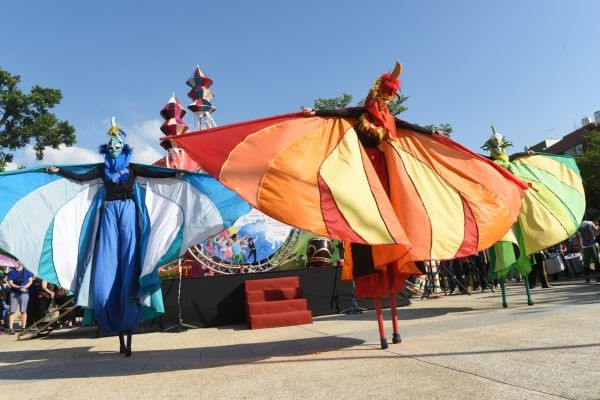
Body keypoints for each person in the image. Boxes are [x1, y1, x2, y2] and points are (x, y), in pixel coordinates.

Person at [47, 117, 186, 356]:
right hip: (110, 210)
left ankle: (130, 300)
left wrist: (176, 175)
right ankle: (110, 301)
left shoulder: (132, 168)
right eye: (110, 146)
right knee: (109, 253)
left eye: (117, 145)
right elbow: (82, 177)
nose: (113, 149)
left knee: (129, 254)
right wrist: (60, 170)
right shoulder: (103, 170)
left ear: (123, 147)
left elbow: (154, 173)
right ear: (106, 149)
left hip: (129, 211)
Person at [7, 262, 33, 334]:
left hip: (24, 292)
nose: (17, 262)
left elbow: (30, 281)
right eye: (16, 261)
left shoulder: (28, 271)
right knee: (12, 311)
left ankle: (23, 328)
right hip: (14, 292)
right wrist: (19, 287)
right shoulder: (11, 272)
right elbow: (10, 282)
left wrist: (25, 287)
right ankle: (10, 328)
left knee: (23, 311)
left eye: (19, 261)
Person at [578, 218, 600, 283]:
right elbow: (596, 231)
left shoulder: (577, 226)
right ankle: (598, 278)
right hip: (593, 245)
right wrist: (598, 226)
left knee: (586, 263)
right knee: (596, 261)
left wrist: (580, 248)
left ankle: (587, 279)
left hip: (584, 247)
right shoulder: (590, 223)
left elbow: (578, 239)